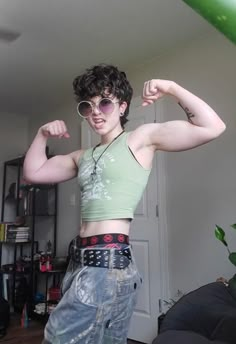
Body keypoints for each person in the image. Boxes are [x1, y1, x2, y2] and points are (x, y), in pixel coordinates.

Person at [23, 64, 226, 344]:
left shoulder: (139, 140)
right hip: (79, 263)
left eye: (104, 103)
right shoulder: (81, 156)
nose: (96, 111)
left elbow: (212, 126)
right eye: (87, 106)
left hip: (106, 264)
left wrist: (171, 88)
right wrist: (42, 135)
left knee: (57, 337)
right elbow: (33, 173)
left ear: (122, 106)